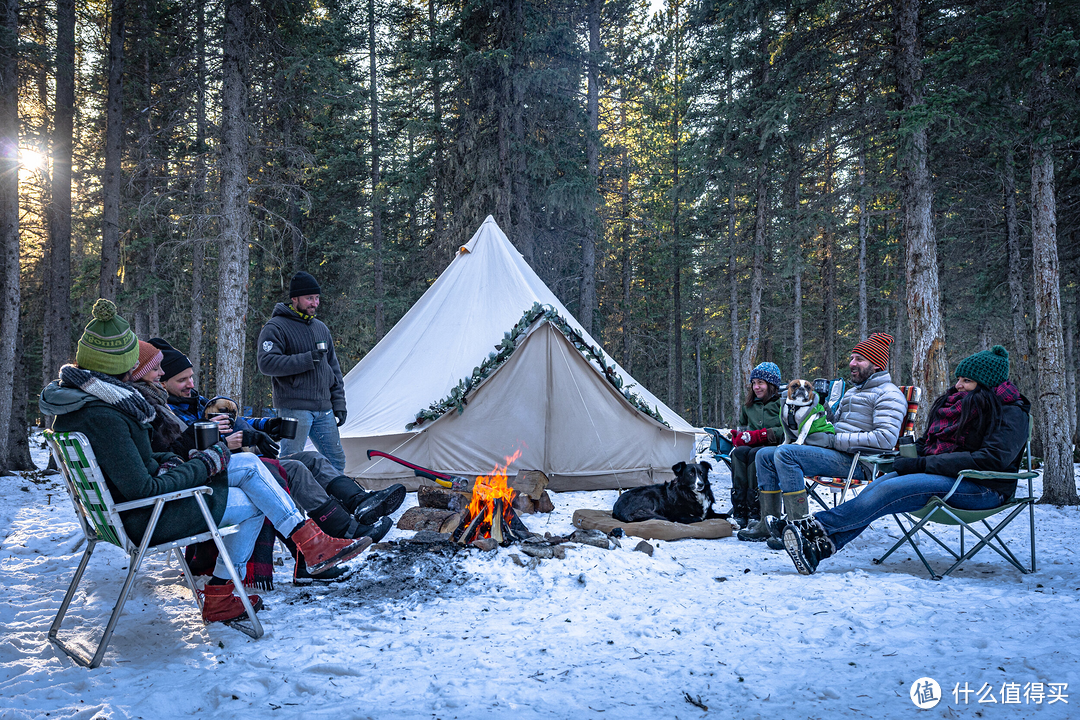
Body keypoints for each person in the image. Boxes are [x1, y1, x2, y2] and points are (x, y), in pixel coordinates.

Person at [41, 299, 372, 623]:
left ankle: (310, 543)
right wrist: (206, 460)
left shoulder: (85, 406)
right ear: (119, 367)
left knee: (251, 467)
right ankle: (226, 591)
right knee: (258, 500)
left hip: (129, 512)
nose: (153, 375)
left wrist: (192, 456)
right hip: (147, 517)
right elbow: (143, 486)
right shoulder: (105, 415)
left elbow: (144, 460)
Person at [143, 340, 405, 567]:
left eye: (191, 376)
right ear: (162, 382)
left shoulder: (198, 402)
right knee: (294, 470)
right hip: (223, 471)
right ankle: (343, 531)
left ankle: (360, 503)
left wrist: (265, 425)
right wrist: (234, 441)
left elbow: (235, 419)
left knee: (311, 458)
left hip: (240, 461)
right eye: (182, 380)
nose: (190, 383)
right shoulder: (166, 413)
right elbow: (182, 449)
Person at [783, 345, 1029, 574]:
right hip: (945, 477)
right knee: (880, 484)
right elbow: (930, 443)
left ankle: (812, 526)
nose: (958, 386)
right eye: (958, 379)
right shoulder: (959, 406)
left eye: (967, 381)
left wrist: (922, 464)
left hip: (983, 487)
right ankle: (819, 548)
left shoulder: (1011, 412)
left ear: (986, 384)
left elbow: (993, 459)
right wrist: (908, 455)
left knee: (890, 489)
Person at [737, 333, 906, 548]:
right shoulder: (853, 392)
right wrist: (819, 408)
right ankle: (767, 524)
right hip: (837, 453)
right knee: (764, 455)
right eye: (852, 358)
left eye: (859, 359)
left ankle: (797, 527)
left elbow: (884, 439)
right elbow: (832, 424)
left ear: (877, 365)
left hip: (860, 462)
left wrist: (835, 440)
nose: (852, 364)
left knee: (786, 453)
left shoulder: (888, 394)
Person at [256, 271, 348, 472]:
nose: (314, 303)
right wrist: (306, 359)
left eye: (316, 298)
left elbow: (333, 368)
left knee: (336, 462)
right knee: (291, 462)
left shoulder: (321, 328)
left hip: (324, 408)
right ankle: (290, 503)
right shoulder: (276, 327)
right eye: (309, 298)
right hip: (294, 408)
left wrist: (339, 402)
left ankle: (338, 501)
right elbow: (267, 363)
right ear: (294, 299)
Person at [726, 362, 784, 529]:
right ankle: (740, 509)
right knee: (738, 453)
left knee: (756, 454)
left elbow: (787, 430)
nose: (756, 387)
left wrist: (764, 434)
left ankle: (756, 510)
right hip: (751, 446)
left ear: (771, 385)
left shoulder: (781, 404)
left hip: (775, 447)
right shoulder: (748, 406)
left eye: (761, 383)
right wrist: (737, 436)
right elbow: (742, 428)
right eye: (754, 383)